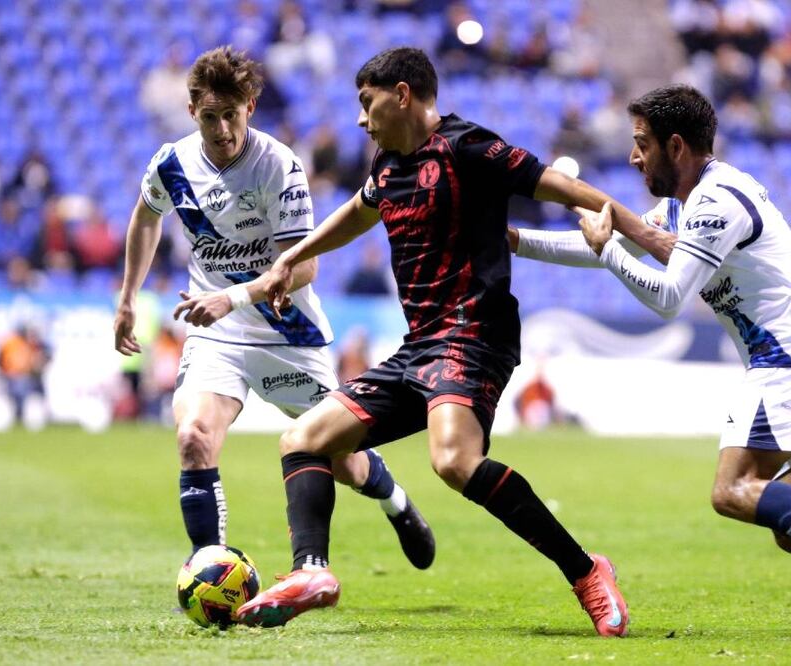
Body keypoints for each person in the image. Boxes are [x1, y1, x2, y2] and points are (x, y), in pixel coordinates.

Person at [198, 47, 675, 636]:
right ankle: (311, 572)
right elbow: (356, 210)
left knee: (452, 460)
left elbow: (568, 190)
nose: (360, 119)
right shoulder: (387, 163)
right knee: (302, 439)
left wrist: (649, 237)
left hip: (476, 333)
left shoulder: (467, 147)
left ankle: (587, 572)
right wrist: (288, 260)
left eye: (366, 104)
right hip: (420, 345)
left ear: (402, 94)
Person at [510, 84, 791, 637]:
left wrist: (610, 251)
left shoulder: (716, 202)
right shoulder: (691, 200)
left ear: (675, 147)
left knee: (732, 490)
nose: (634, 157)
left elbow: (666, 298)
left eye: (641, 144)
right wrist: (512, 241)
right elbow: (603, 242)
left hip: (788, 360)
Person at [114, 46, 435, 573]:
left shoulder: (277, 164)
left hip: (287, 334)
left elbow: (304, 267)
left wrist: (233, 296)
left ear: (251, 108)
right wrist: (128, 296)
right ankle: (209, 568)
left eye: (232, 115)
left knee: (342, 461)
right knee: (194, 437)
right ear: (193, 112)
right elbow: (146, 216)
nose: (222, 130)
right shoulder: (171, 164)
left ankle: (394, 500)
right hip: (216, 334)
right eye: (210, 117)